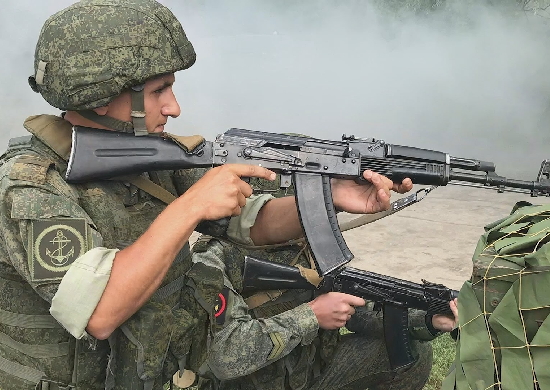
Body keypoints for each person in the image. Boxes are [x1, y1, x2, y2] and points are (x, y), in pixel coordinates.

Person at [0, 1, 415, 389]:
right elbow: (100, 313)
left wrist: (333, 195)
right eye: (159, 90)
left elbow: (249, 223)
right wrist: (191, 205)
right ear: (103, 96)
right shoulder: (31, 184)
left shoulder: (147, 157)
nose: (175, 107)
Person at [187, 177, 459, 390]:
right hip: (248, 385)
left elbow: (359, 310)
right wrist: (312, 315)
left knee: (414, 354)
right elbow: (224, 356)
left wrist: (427, 320)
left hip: (312, 375)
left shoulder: (309, 243)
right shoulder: (212, 255)